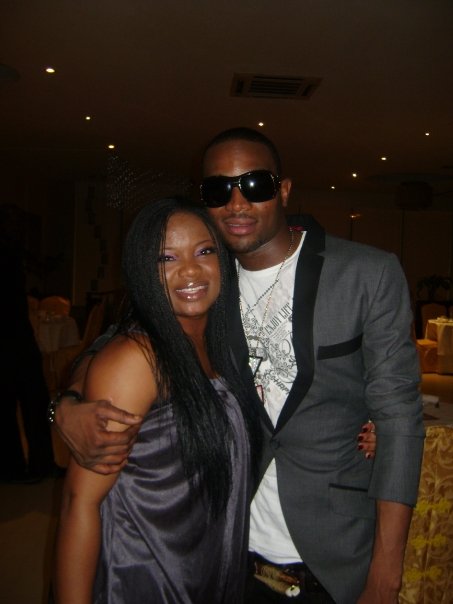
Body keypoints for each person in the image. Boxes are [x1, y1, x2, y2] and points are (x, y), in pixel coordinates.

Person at [53, 127, 422, 603]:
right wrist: (65, 406)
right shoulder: (207, 277)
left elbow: (400, 416)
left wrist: (386, 572)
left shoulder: (366, 273)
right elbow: (112, 347)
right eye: (218, 190)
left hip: (336, 555)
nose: (237, 203)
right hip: (228, 548)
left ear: (283, 189)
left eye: (255, 184)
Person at [53, 198, 263, 604]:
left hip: (206, 570)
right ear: (143, 270)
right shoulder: (137, 358)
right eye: (167, 258)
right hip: (145, 579)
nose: (190, 270)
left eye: (204, 251)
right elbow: (79, 504)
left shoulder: (219, 344)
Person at [0, 203, 54, 483]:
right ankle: (32, 466)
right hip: (13, 338)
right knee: (31, 400)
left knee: (23, 402)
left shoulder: (13, 252)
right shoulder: (10, 252)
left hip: (16, 336)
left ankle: (20, 467)